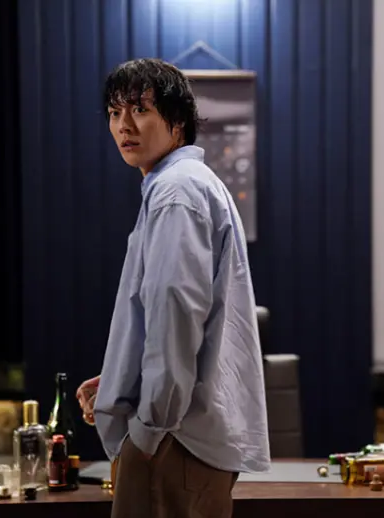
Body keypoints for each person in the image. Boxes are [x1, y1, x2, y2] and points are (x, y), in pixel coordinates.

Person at [76, 58, 271, 518]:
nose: (124, 126)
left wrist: (147, 429)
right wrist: (122, 379)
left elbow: (175, 317)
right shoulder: (188, 185)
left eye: (140, 110)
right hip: (182, 440)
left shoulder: (176, 192)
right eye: (114, 112)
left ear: (178, 122)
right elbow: (176, 320)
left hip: (171, 443)